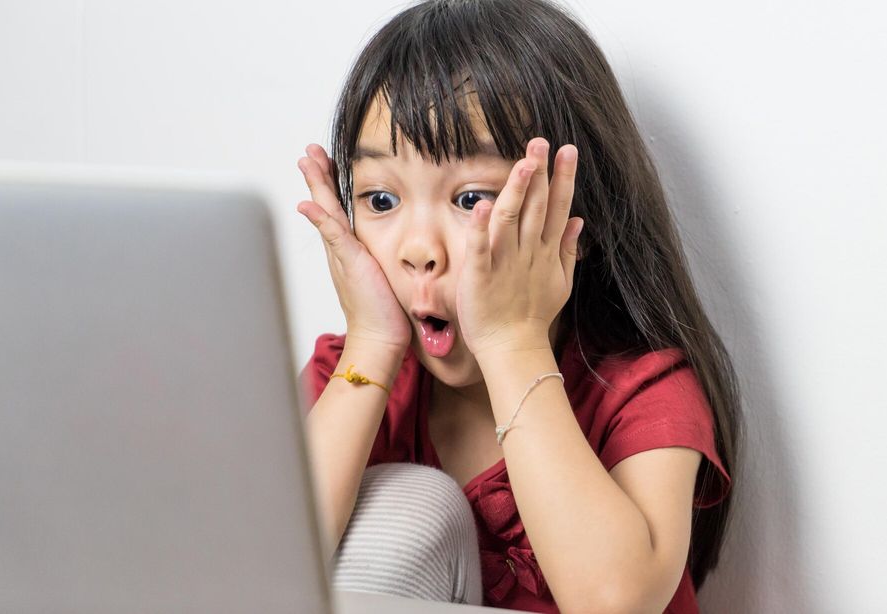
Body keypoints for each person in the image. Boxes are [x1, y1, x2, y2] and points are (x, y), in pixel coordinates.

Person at [295, 0, 742, 612]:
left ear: (573, 223)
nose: (419, 250)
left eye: (470, 196)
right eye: (379, 200)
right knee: (407, 508)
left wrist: (512, 342)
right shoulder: (348, 378)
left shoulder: (640, 391)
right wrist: (372, 344)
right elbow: (251, 569)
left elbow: (616, 602)